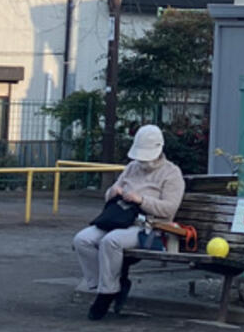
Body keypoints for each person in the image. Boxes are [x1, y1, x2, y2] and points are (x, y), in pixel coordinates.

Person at [73, 125, 185, 319]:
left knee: (111, 241)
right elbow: (111, 193)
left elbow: (169, 210)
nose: (143, 161)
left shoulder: (172, 174)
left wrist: (141, 200)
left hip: (149, 226)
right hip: (118, 219)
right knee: (82, 239)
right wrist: (112, 192)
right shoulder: (132, 168)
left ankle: (106, 293)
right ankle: (105, 284)